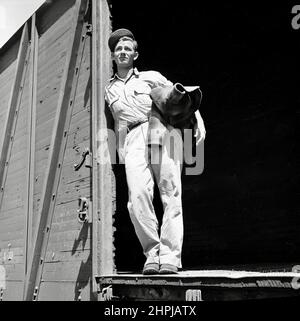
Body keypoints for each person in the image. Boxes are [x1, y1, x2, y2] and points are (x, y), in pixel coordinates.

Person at [104, 28, 206, 274]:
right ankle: (152, 253)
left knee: (170, 193)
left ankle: (170, 257)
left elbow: (181, 97)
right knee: (136, 198)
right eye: (119, 49)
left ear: (135, 55)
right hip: (132, 139)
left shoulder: (151, 76)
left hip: (162, 129)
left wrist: (199, 120)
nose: (123, 51)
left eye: (128, 48)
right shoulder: (108, 90)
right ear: (113, 56)